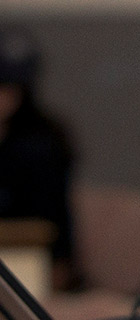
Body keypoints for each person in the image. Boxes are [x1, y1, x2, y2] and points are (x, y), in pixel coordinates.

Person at [0, 28, 77, 292]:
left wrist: (59, 267)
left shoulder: (43, 142)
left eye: (11, 88)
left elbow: (54, 217)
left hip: (31, 263)